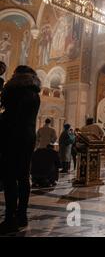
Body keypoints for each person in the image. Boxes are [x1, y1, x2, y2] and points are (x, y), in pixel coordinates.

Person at [0, 66, 41, 234]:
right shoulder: (35, 93)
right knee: (23, 176)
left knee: (9, 177)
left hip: (12, 135)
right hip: (29, 136)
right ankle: (22, 215)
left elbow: (10, 115)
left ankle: (10, 218)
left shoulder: (14, 91)